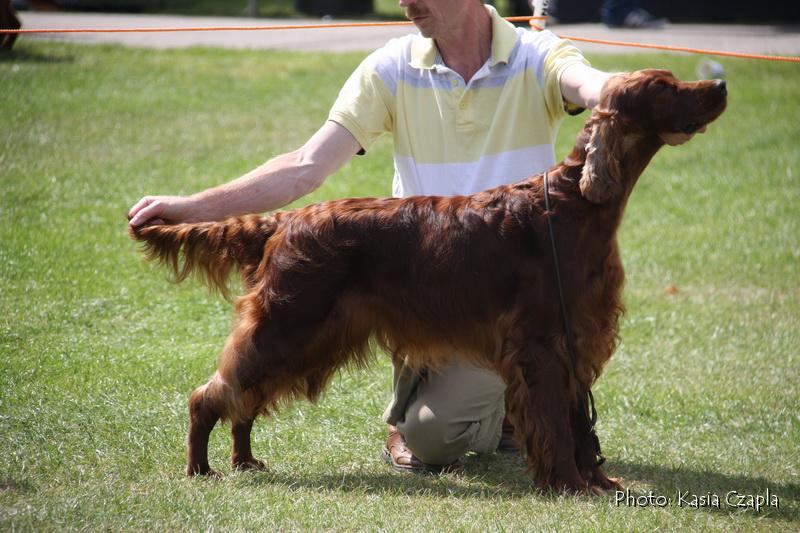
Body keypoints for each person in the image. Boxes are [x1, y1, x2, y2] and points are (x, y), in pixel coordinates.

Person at [128, 0, 614, 472]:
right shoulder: (393, 65)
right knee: (432, 434)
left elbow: (590, 84)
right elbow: (305, 167)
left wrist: (627, 92)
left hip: (511, 294)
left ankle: (507, 410)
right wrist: (191, 208)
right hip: (419, 281)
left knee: (449, 424)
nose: (405, 1)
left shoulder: (536, 54)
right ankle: (487, 406)